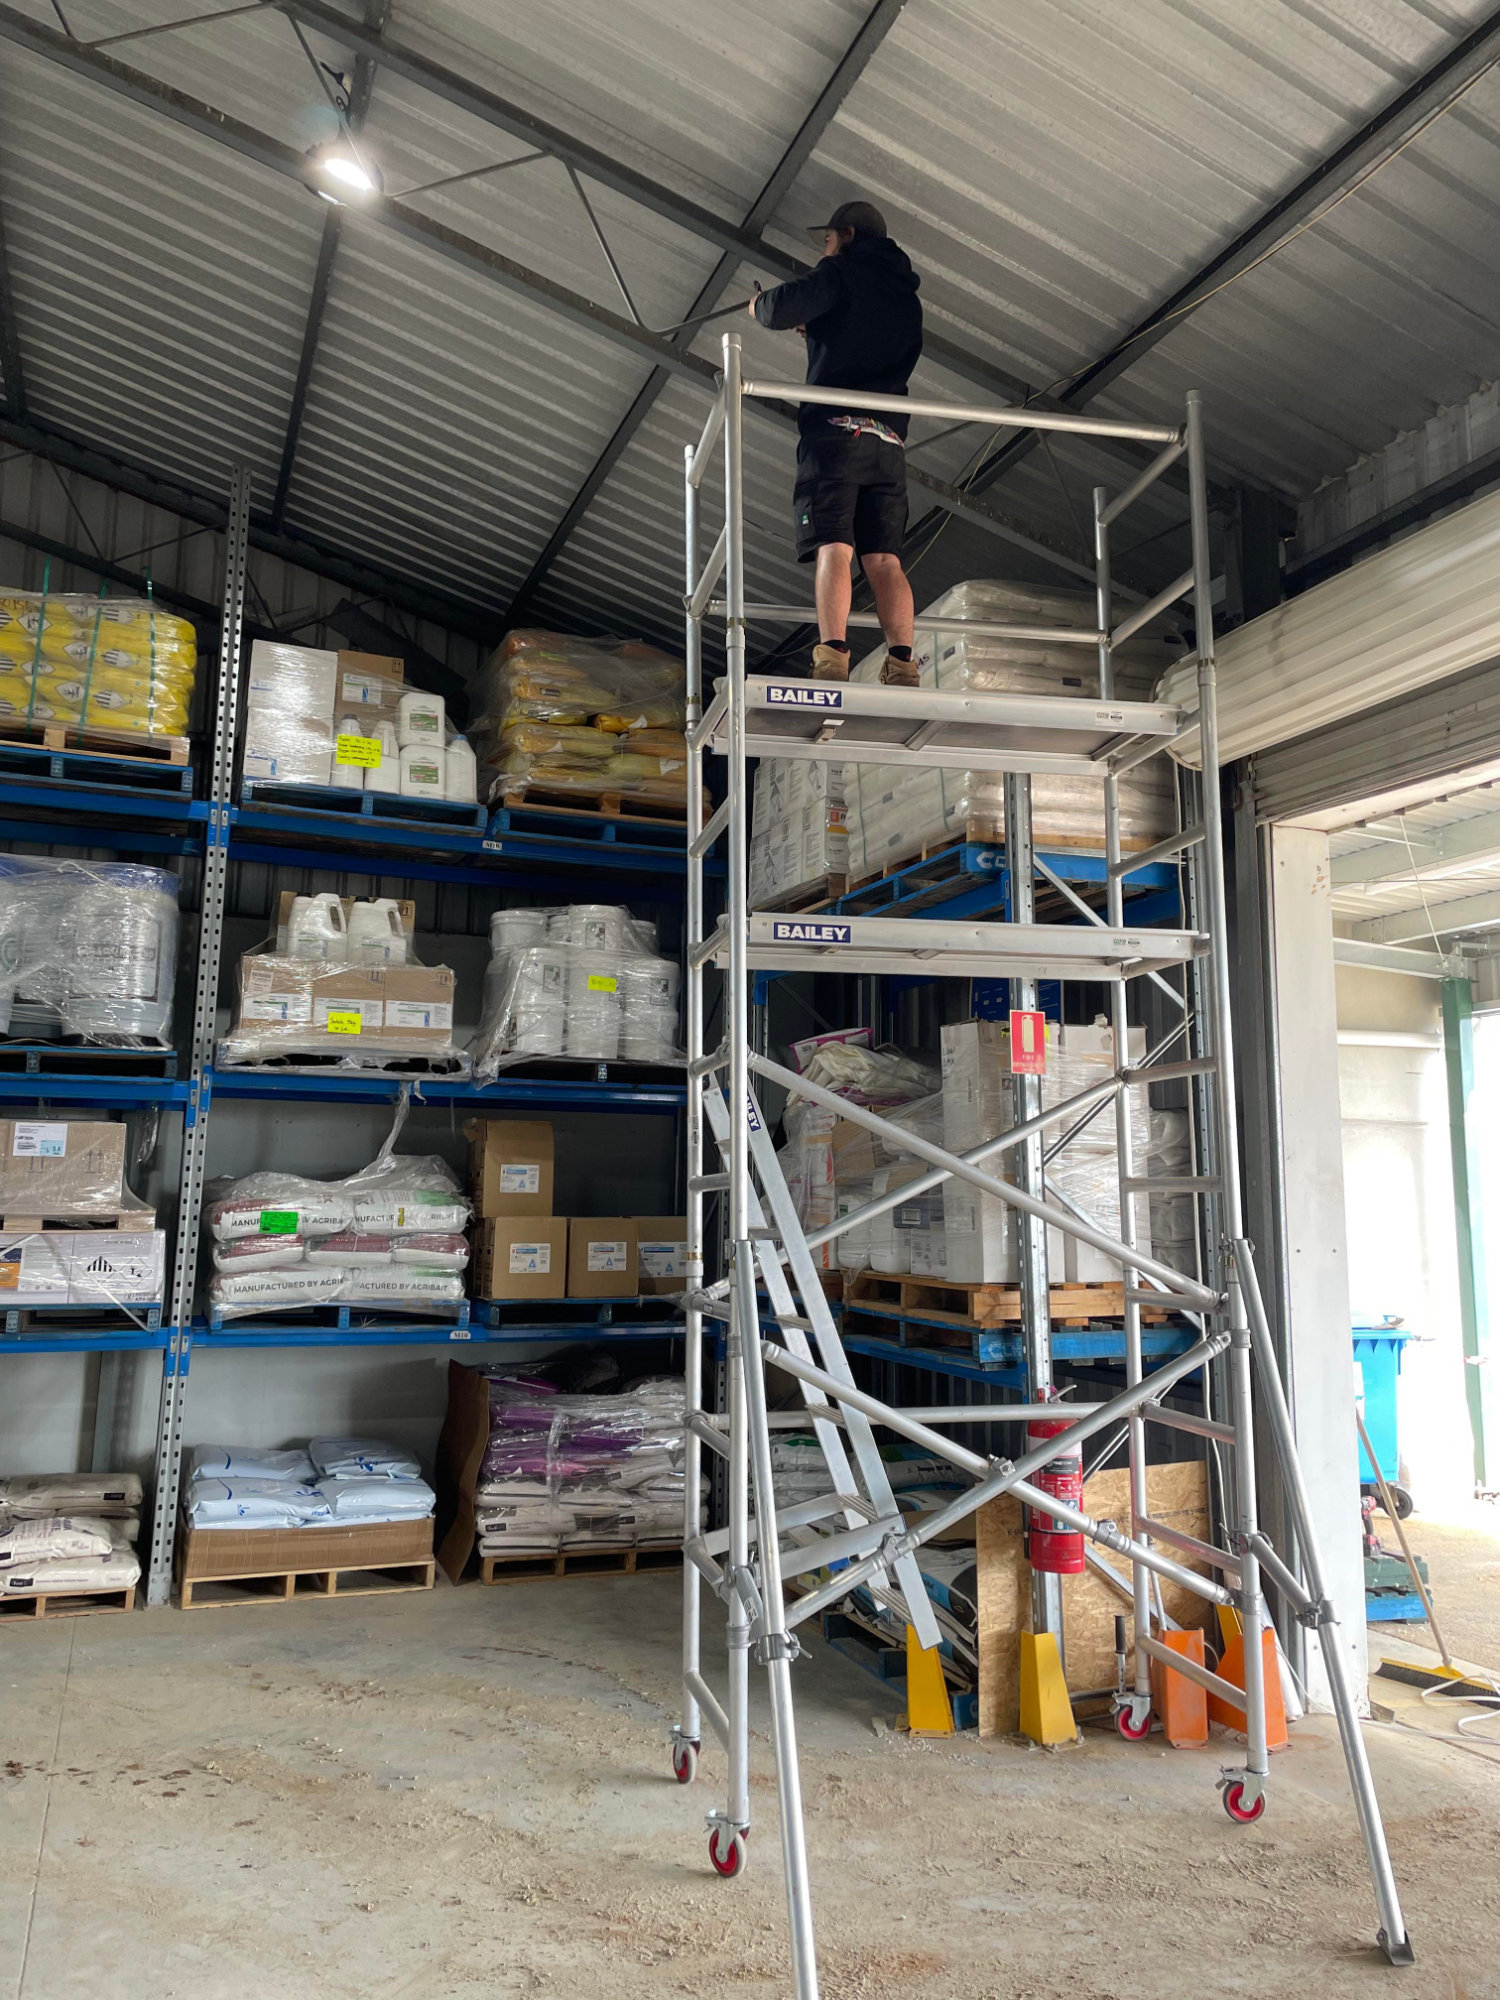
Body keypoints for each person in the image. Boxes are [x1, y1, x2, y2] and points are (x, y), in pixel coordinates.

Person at [750, 199, 923, 687]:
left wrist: (758, 305)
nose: (824, 250)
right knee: (885, 559)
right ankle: (903, 666)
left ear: (847, 235)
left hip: (837, 433)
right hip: (889, 439)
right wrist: (822, 329)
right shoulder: (906, 297)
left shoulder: (841, 270)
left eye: (827, 240)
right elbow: (867, 337)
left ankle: (831, 659)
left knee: (835, 546)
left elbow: (780, 308)